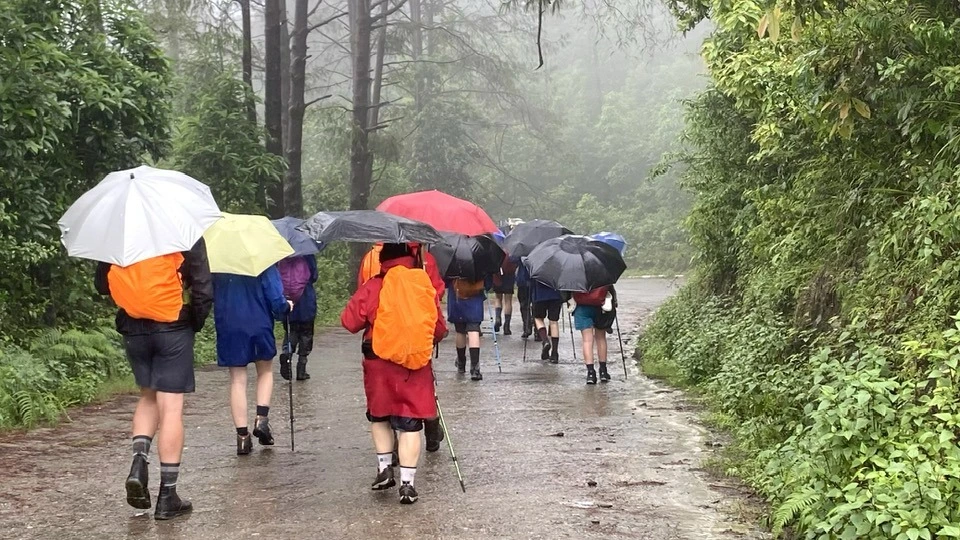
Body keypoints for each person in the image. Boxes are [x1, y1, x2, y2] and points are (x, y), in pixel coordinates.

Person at [95, 239, 213, 520]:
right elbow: (203, 287)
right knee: (171, 407)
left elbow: (101, 285)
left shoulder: (120, 230)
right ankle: (167, 496)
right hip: (172, 324)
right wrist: (193, 321)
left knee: (148, 395)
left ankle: (139, 463)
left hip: (133, 325)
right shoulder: (183, 231)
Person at [341, 243, 448, 504]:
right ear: (410, 258)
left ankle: (384, 469)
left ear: (382, 261)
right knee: (410, 422)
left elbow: (349, 321)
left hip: (378, 362)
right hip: (413, 365)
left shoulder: (374, 286)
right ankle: (408, 485)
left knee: (380, 415)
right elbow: (439, 330)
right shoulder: (422, 285)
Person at [212, 265, 292, 456]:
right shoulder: (261, 259)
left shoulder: (217, 263)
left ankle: (242, 438)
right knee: (264, 371)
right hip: (259, 322)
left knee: (237, 380)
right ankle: (261, 418)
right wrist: (286, 307)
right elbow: (275, 298)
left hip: (229, 324)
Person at [279, 254, 318, 381]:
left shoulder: (282, 254)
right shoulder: (307, 255)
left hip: (288, 301)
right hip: (306, 299)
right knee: (306, 334)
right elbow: (314, 276)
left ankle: (287, 354)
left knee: (291, 331)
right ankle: (301, 369)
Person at [572, 285, 618, 384]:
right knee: (601, 338)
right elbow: (610, 289)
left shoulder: (575, 273)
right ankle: (603, 372)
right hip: (601, 306)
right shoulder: (602, 271)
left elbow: (567, 294)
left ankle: (591, 374)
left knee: (587, 341)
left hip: (582, 307)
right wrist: (614, 302)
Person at [446, 277, 486, 381]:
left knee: (460, 331)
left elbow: (445, 278)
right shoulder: (480, 260)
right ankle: (475, 369)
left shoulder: (452, 261)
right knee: (474, 329)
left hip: (457, 294)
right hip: (475, 293)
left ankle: (461, 363)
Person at [531, 277, 565, 363]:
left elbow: (528, 278)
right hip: (555, 295)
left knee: (538, 318)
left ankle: (545, 340)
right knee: (553, 322)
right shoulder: (558, 264)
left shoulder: (536, 264)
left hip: (539, 294)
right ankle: (554, 353)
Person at [492, 257, 517, 335]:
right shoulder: (511, 250)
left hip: (497, 273)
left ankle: (498, 318)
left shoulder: (496, 248)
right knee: (508, 300)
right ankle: (507, 326)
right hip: (509, 274)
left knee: (498, 298)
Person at [515, 258, 534, 339]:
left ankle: (527, 327)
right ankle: (538, 331)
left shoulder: (520, 249)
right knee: (536, 304)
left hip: (523, 280)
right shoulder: (538, 247)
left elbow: (512, 259)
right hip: (535, 280)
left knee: (524, 305)